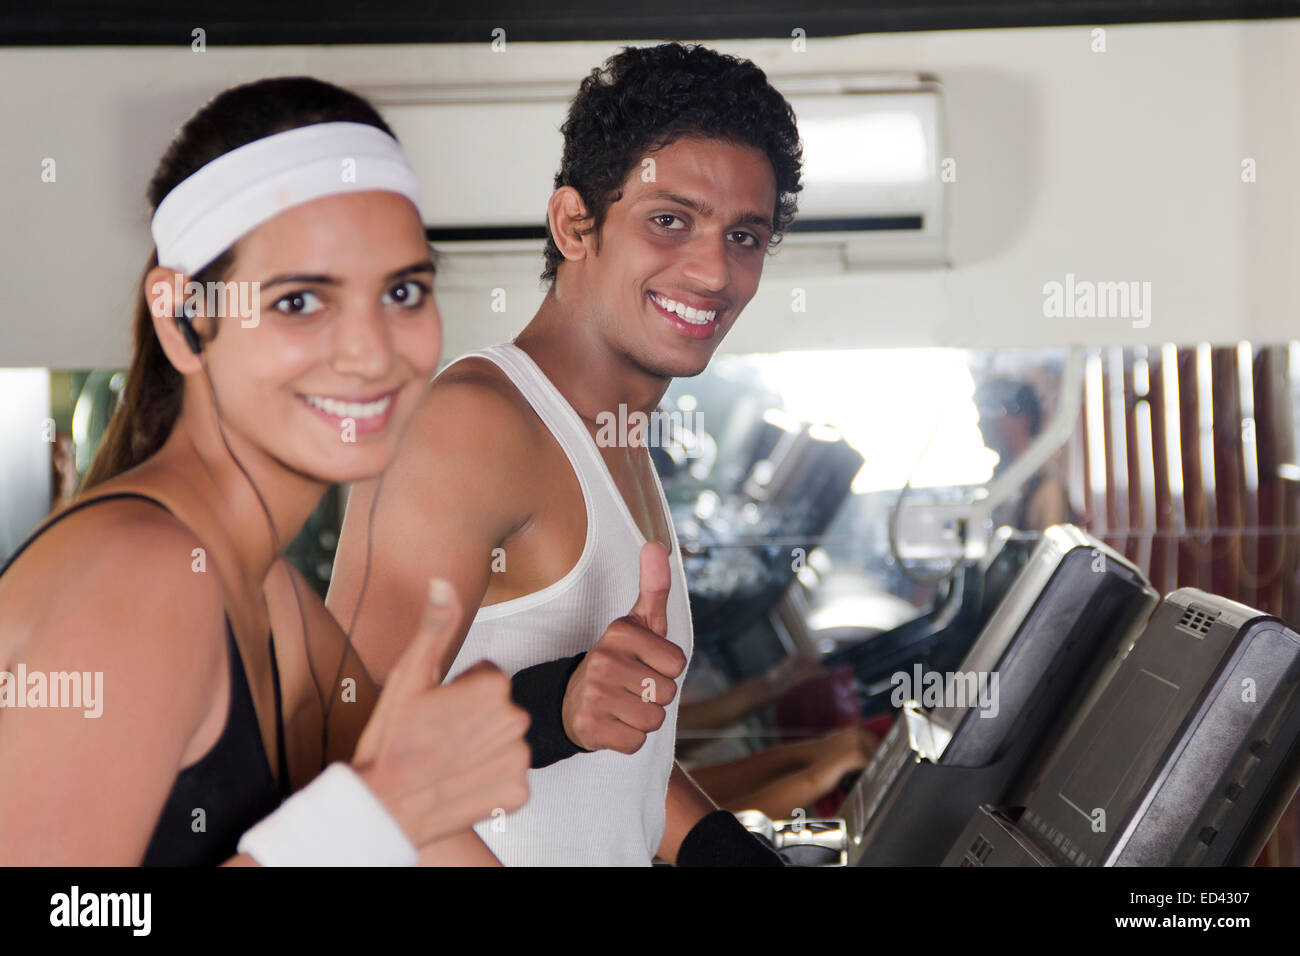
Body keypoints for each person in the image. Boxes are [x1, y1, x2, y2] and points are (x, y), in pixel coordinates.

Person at [0, 77, 529, 866]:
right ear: (184, 318)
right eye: (298, 302)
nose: (374, 353)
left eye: (404, 291)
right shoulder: (148, 577)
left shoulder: (271, 596)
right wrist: (373, 821)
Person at [328, 43, 802, 866]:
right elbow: (338, 745)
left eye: (746, 236)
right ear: (574, 224)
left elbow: (618, 754)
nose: (713, 269)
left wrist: (724, 853)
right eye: (670, 220)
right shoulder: (476, 426)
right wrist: (553, 708)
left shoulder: (619, 445)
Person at [975, 377, 1075, 531]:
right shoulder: (1004, 479)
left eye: (988, 414)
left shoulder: (1047, 488)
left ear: (1021, 418)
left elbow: (1051, 546)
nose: (980, 424)